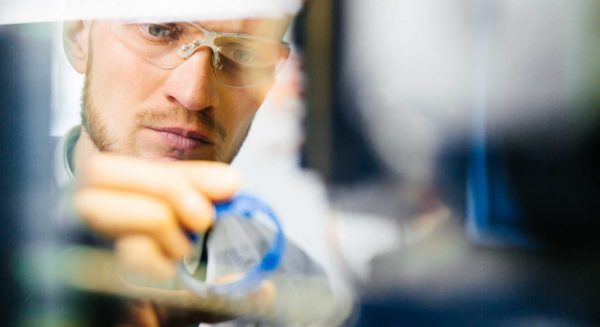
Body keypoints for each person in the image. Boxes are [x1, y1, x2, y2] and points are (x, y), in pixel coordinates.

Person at [55, 9, 345, 326]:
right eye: (158, 30)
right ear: (78, 34)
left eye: (243, 53)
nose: (194, 95)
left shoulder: (295, 284)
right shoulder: (12, 248)